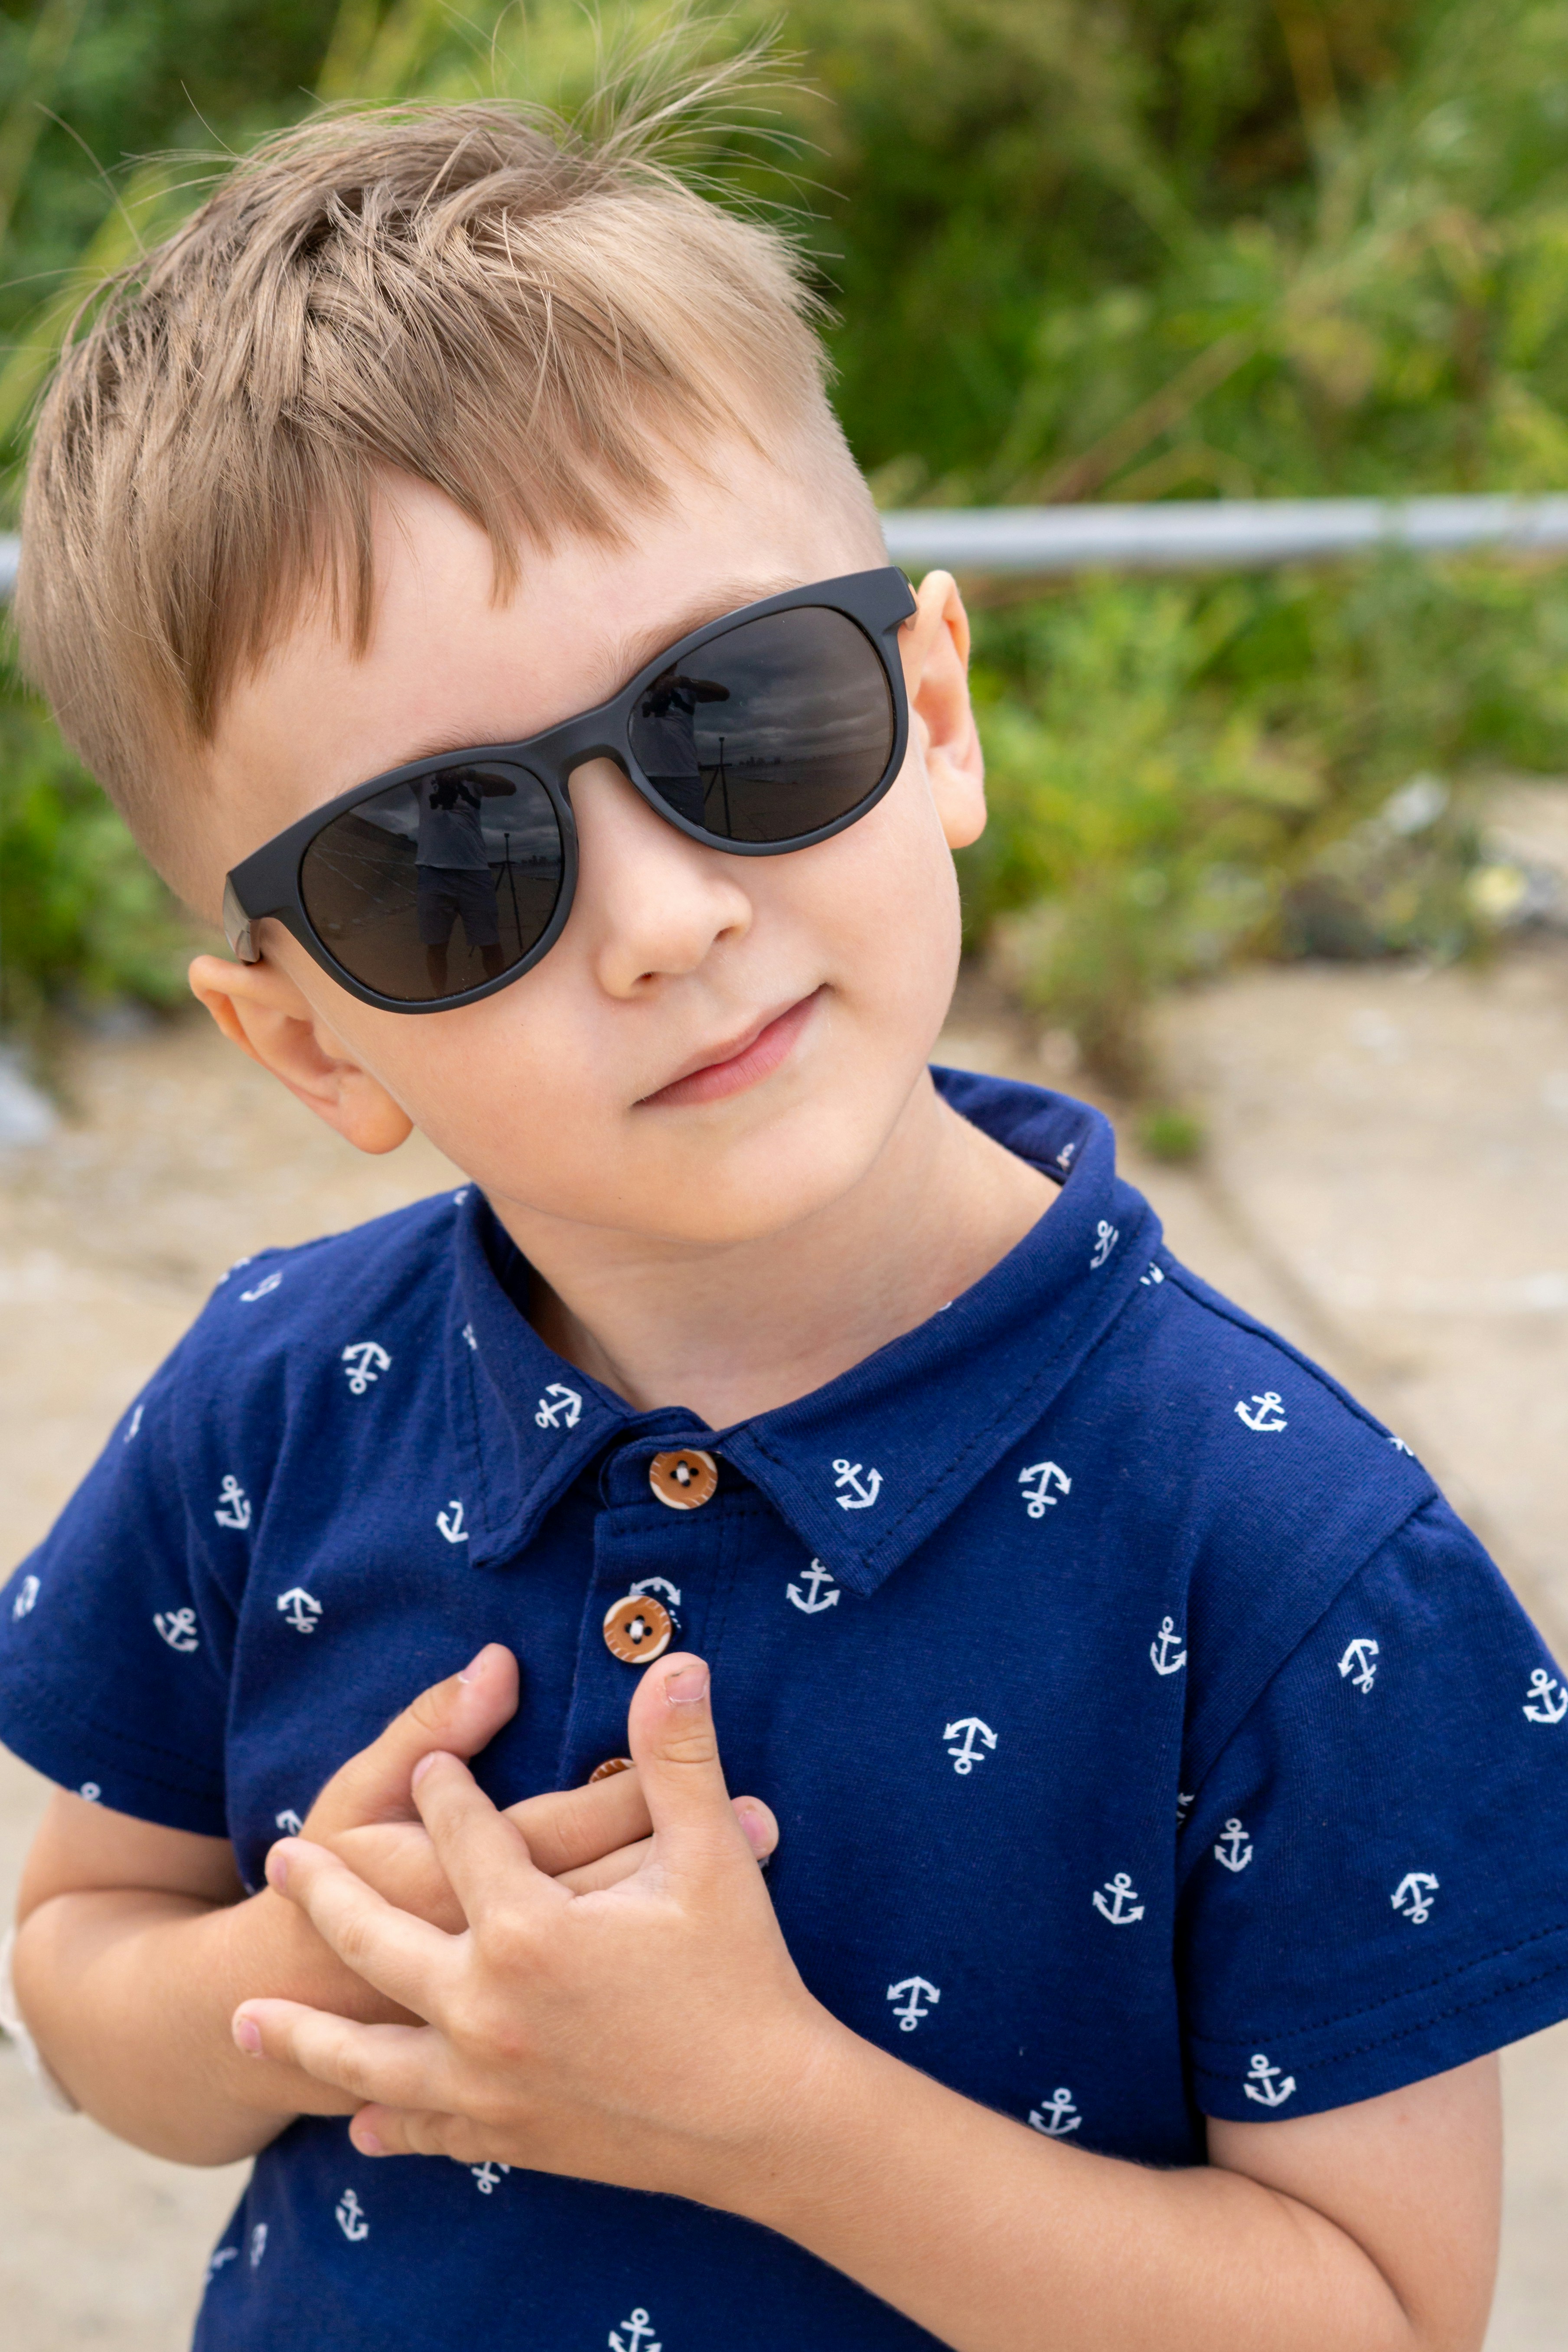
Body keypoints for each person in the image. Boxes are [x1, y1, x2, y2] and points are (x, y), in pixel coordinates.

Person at [1, 87, 1566, 2352]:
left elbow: (1376, 2312)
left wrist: (767, 2116)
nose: (656, 916)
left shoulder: (1287, 1546)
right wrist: (314, 1956)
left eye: (735, 716)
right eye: (447, 867)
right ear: (308, 1042)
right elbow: (80, 1971)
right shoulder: (273, 1397)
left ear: (929, 708)